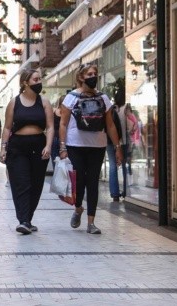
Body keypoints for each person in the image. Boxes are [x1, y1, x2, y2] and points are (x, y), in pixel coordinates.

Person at [58, 64, 123, 235]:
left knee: (93, 182)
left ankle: (91, 222)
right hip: (75, 144)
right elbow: (62, 124)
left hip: (97, 145)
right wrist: (62, 146)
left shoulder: (103, 98)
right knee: (79, 181)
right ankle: (78, 208)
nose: (93, 76)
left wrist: (117, 147)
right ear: (81, 77)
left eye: (95, 73)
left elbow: (110, 125)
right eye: (89, 74)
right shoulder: (71, 97)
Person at [0, 69, 54, 234]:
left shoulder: (44, 101)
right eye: (35, 79)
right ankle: (23, 220)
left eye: (39, 79)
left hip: (39, 145)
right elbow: (7, 127)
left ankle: (28, 219)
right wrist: (3, 148)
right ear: (25, 82)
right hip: (18, 147)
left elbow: (51, 126)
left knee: (36, 184)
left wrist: (48, 146)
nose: (39, 82)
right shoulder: (14, 102)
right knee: (21, 183)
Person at [105, 91, 128, 201]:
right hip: (122, 142)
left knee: (113, 166)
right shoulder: (126, 109)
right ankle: (126, 190)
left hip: (110, 141)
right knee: (124, 166)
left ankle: (114, 193)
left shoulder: (112, 110)